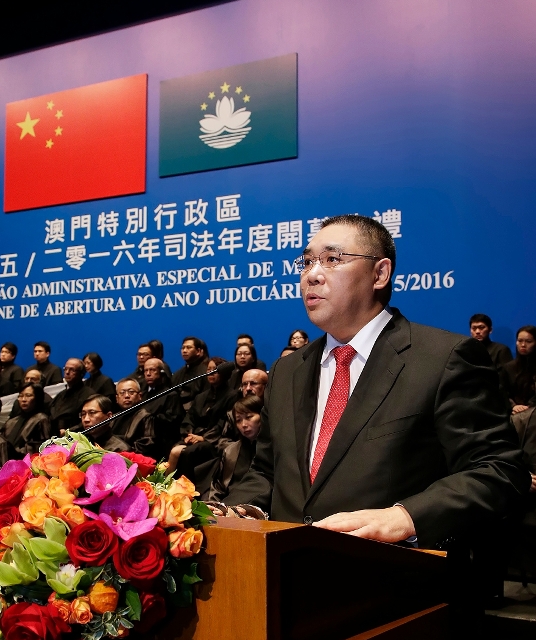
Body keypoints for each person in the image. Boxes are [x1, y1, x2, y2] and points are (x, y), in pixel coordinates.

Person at [222, 213, 527, 551]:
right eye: (306, 262)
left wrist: (405, 517)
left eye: (332, 259)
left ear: (380, 273)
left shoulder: (443, 358)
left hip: (394, 580)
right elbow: (267, 472)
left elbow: (500, 471)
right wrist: (235, 511)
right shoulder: (287, 370)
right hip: (287, 575)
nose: (312, 275)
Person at [168, 357, 238, 476]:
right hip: (195, 436)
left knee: (188, 452)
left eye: (215, 370)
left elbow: (225, 422)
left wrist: (204, 438)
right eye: (209, 369)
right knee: (175, 447)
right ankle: (169, 486)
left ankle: (187, 489)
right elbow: (190, 417)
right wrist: (188, 434)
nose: (211, 373)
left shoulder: (232, 396)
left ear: (224, 373)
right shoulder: (201, 396)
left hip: (214, 440)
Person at [202, 394, 263, 502]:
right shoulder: (230, 451)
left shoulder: (274, 449)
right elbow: (218, 488)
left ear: (262, 415)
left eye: (249, 417)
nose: (244, 424)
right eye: (238, 420)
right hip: (230, 506)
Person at [143, 359, 184, 459]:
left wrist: (151, 417)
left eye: (152, 370)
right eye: (146, 370)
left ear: (162, 372)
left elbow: (172, 420)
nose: (148, 374)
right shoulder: (143, 395)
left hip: (162, 442)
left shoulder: (171, 395)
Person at [110, 378, 156, 456]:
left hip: (132, 460)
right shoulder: (113, 418)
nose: (127, 396)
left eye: (131, 392)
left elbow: (147, 444)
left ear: (140, 396)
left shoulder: (146, 416)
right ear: (117, 398)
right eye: (122, 393)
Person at [3, 384, 51, 456]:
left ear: (37, 398)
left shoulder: (42, 420)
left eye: (28, 395)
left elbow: (39, 449)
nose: (23, 400)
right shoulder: (11, 422)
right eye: (20, 396)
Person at [49, 359, 94, 435]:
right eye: (65, 369)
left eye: (72, 370)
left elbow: (89, 420)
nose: (67, 372)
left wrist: (68, 432)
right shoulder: (61, 394)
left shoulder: (89, 394)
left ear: (81, 373)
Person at [500, 326, 536, 414]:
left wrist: (529, 406)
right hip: (513, 412)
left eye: (528, 341)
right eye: (520, 341)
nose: (523, 345)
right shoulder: (508, 367)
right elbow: (502, 391)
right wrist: (513, 406)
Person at [171, 337, 209, 411]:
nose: (184, 351)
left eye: (189, 347)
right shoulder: (179, 373)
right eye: (183, 348)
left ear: (198, 351)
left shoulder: (206, 370)